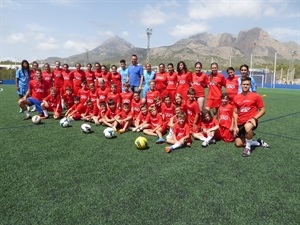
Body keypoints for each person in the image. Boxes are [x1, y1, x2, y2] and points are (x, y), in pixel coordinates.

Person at [233, 76, 269, 157]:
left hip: (251, 121)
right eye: (244, 84)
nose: (245, 86)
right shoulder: (236, 97)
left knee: (247, 126)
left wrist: (254, 118)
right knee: (238, 144)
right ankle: (258, 142)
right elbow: (235, 113)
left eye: (247, 84)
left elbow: (263, 110)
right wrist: (235, 126)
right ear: (240, 85)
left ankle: (248, 148)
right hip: (240, 123)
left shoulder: (256, 96)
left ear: (250, 85)